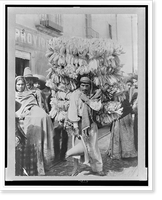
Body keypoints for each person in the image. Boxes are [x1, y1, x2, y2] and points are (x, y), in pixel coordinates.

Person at [65, 76, 105, 176]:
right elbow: (73, 110)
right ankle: (76, 168)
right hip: (78, 123)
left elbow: (97, 107)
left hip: (91, 122)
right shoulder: (75, 94)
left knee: (93, 146)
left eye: (87, 85)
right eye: (82, 85)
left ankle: (98, 168)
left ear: (90, 85)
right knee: (79, 146)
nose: (84, 88)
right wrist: (75, 127)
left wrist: (87, 100)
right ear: (79, 85)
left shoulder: (94, 94)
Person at [15, 76, 54, 176]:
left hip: (30, 115)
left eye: (22, 84)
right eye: (18, 84)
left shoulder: (30, 94)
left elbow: (35, 106)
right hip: (18, 119)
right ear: (15, 85)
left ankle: (39, 164)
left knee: (42, 117)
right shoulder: (12, 95)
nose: (20, 86)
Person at [107, 86, 137, 160]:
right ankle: (120, 153)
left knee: (124, 134)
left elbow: (126, 105)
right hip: (119, 115)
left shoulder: (125, 93)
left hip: (124, 115)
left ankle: (126, 152)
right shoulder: (115, 94)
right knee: (119, 133)